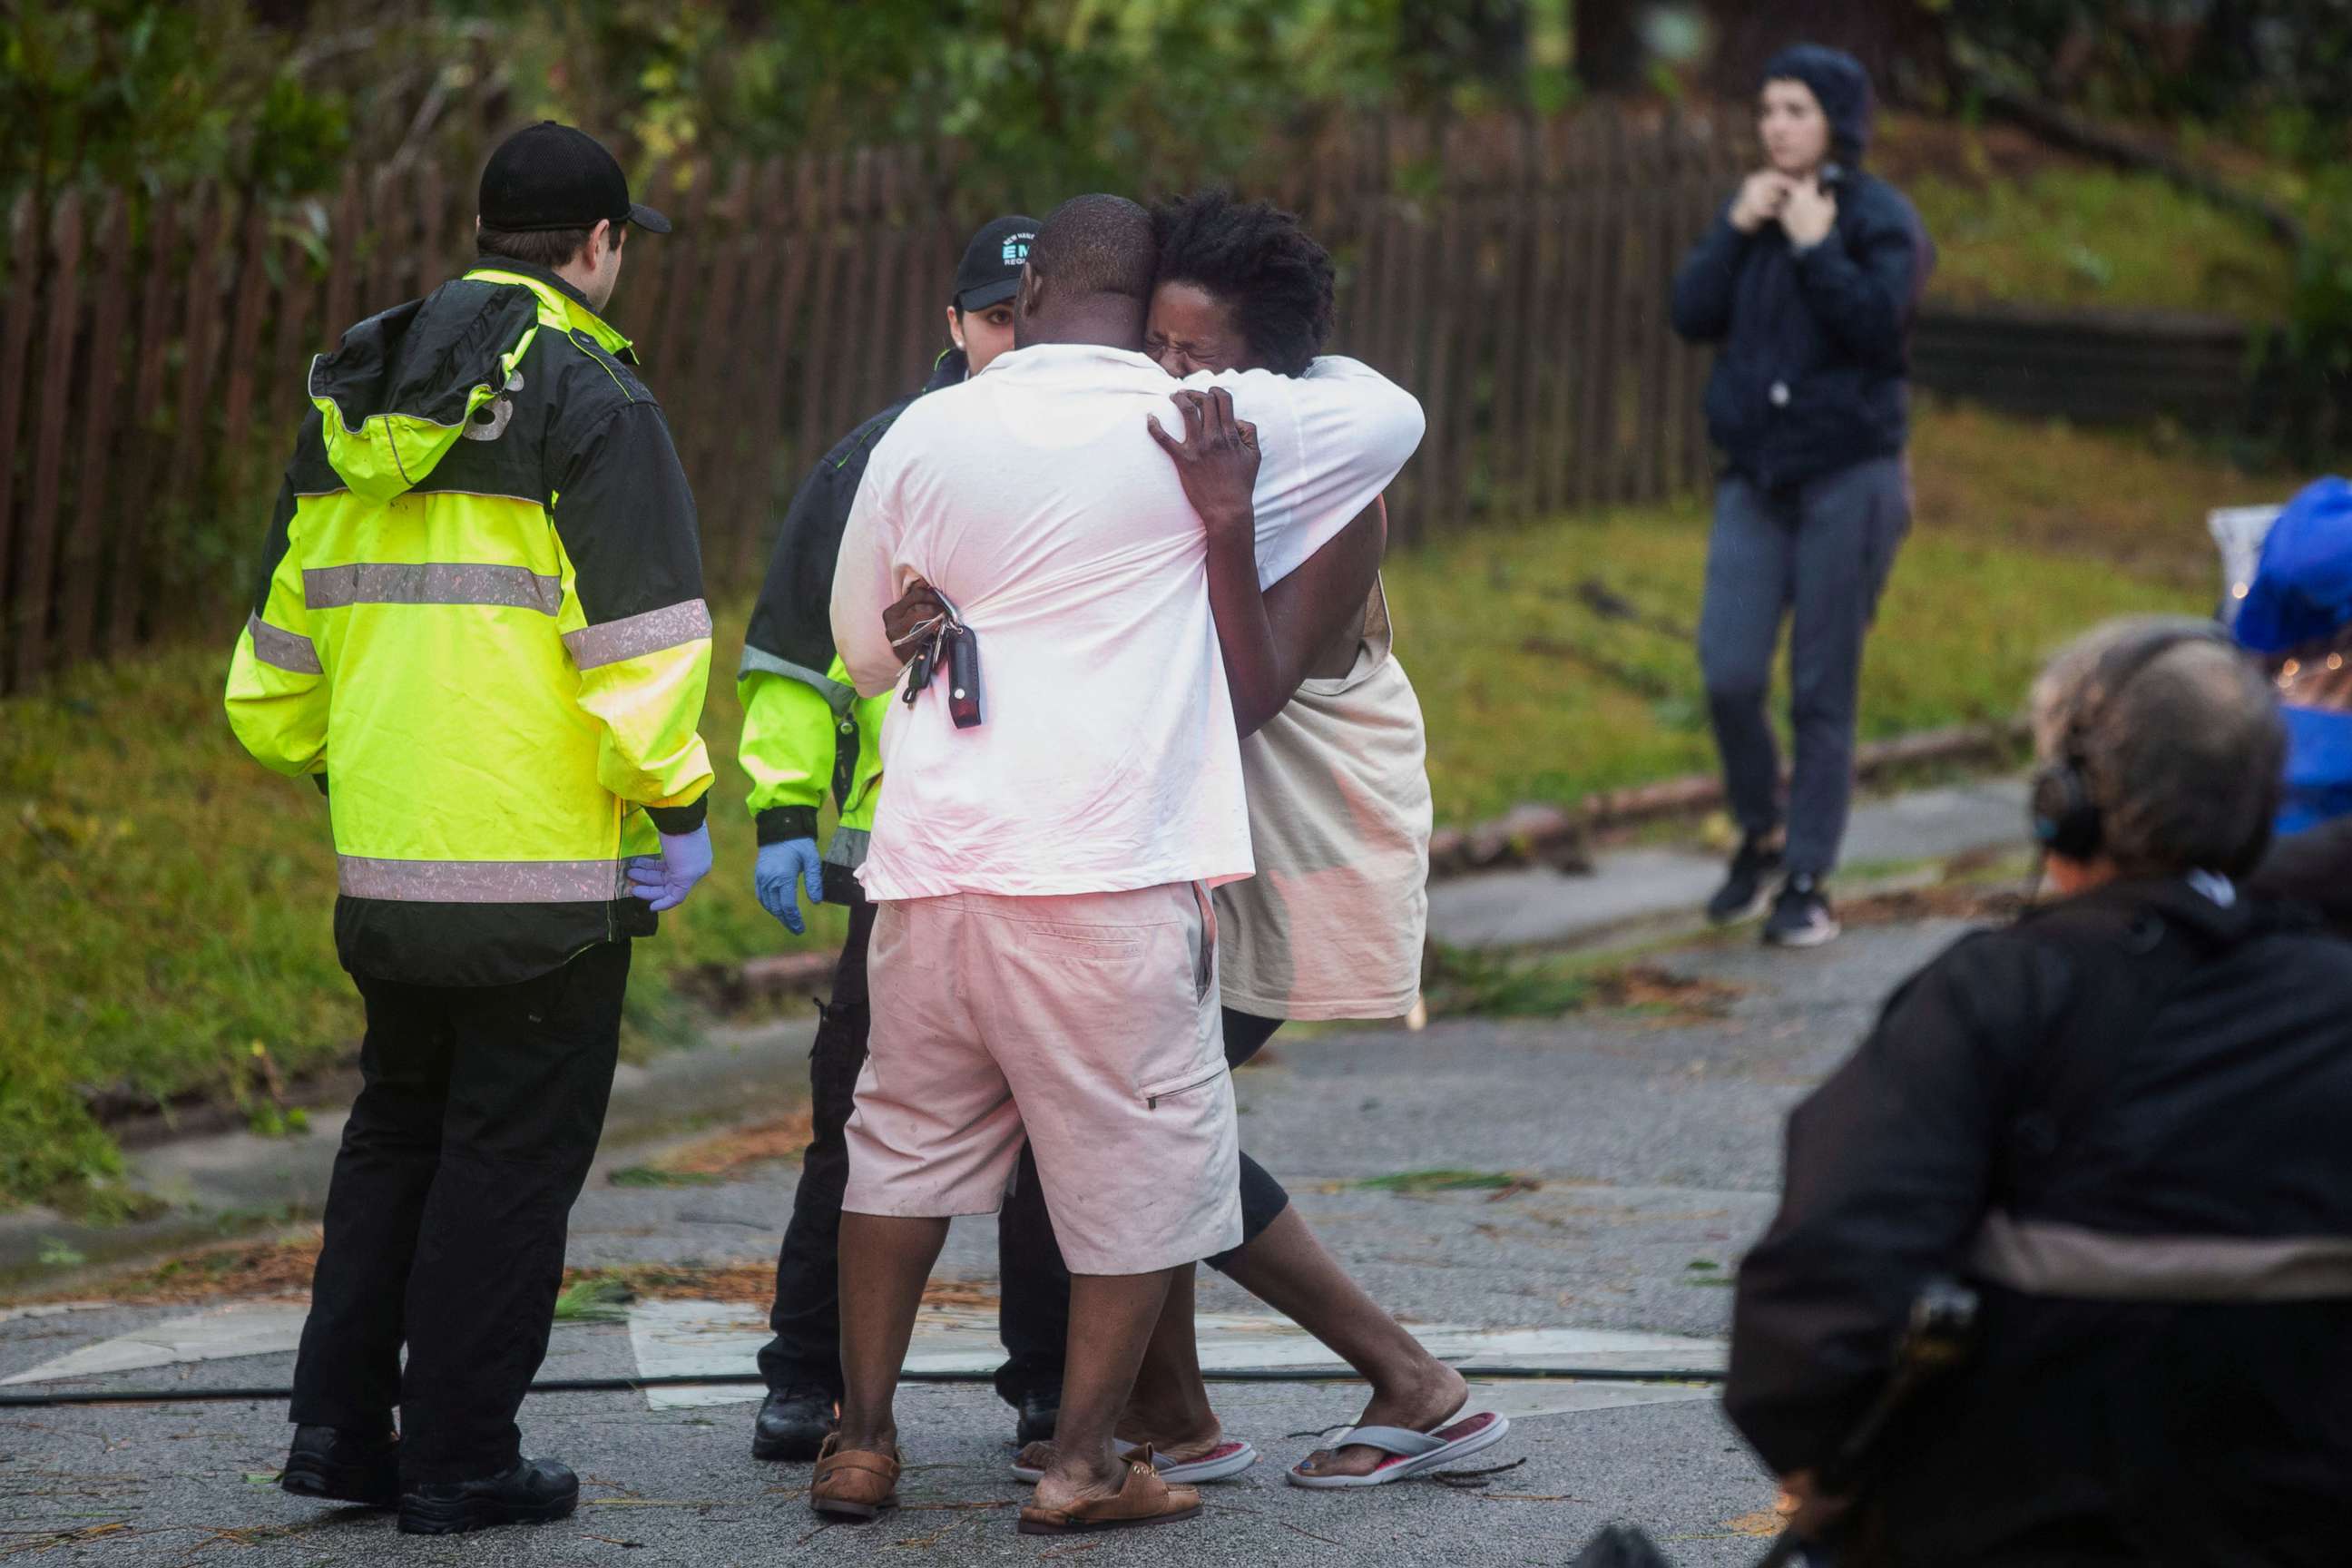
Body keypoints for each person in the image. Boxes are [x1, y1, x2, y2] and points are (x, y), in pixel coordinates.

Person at [815, 194, 1422, 1534]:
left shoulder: (928, 424)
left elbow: (860, 647)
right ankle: (1086, 1462)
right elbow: (1391, 413)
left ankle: (860, 1443)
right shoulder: (1196, 423)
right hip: (1110, 868)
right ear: (1145, 308)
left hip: (933, 862)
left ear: (1025, 302)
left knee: (900, 1148)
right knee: (1143, 1163)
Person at [223, 121, 713, 1536]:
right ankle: (460, 1459)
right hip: (547, 874)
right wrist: (677, 800)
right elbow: (641, 653)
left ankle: (337, 1434)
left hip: (387, 864)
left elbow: (272, 684)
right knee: (506, 1160)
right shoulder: (592, 394)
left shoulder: (358, 385)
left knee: (394, 1137)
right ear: (599, 245)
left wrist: (371, 776)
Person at [968, 191, 1501, 1491]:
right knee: (1130, 1116)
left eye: (1196, 359)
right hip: (1199, 841)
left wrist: (1218, 517)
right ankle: (1181, 1418)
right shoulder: (1165, 445)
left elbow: (1246, 688)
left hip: (1297, 846)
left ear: (1274, 379)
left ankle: (1417, 1388)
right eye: (1153, 343)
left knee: (1147, 1122)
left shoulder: (1334, 491)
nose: (1162, 375)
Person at [1725, 616, 2352, 1565]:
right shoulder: (2333, 996)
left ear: (2062, 806)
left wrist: (1842, 1486)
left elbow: (1814, 1310)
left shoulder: (1991, 997)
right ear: (2262, 807)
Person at [732, 214, 1042, 1465]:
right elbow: (796, 657)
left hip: (1047, 850)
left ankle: (1051, 1388)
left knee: (1052, 1137)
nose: (1017, 342)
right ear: (953, 325)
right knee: (855, 1123)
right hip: (894, 852)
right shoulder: (877, 460)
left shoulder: (1097, 455)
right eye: (998, 318)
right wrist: (784, 818)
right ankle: (808, 1379)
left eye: (1040, 315)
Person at [1671, 43, 1933, 947]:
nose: (1776, 125)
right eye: (1769, 109)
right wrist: (1736, 229)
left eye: (1796, 110)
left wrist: (1819, 247)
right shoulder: (1751, 209)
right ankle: (1762, 828)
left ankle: (1809, 881)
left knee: (1822, 687)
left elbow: (1878, 328)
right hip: (1757, 479)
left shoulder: (1879, 219)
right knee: (1729, 674)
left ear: (1837, 122)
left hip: (1849, 478)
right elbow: (1689, 314)